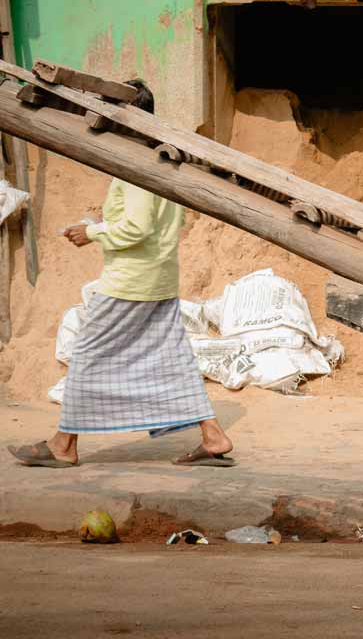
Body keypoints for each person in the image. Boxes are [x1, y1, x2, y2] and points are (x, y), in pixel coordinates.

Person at [7, 81, 236, 469]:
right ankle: (213, 436)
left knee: (87, 354)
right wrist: (100, 222)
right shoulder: (160, 157)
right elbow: (148, 221)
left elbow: (139, 227)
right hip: (157, 277)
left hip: (131, 282)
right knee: (172, 360)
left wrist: (92, 232)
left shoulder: (133, 164)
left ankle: (63, 445)